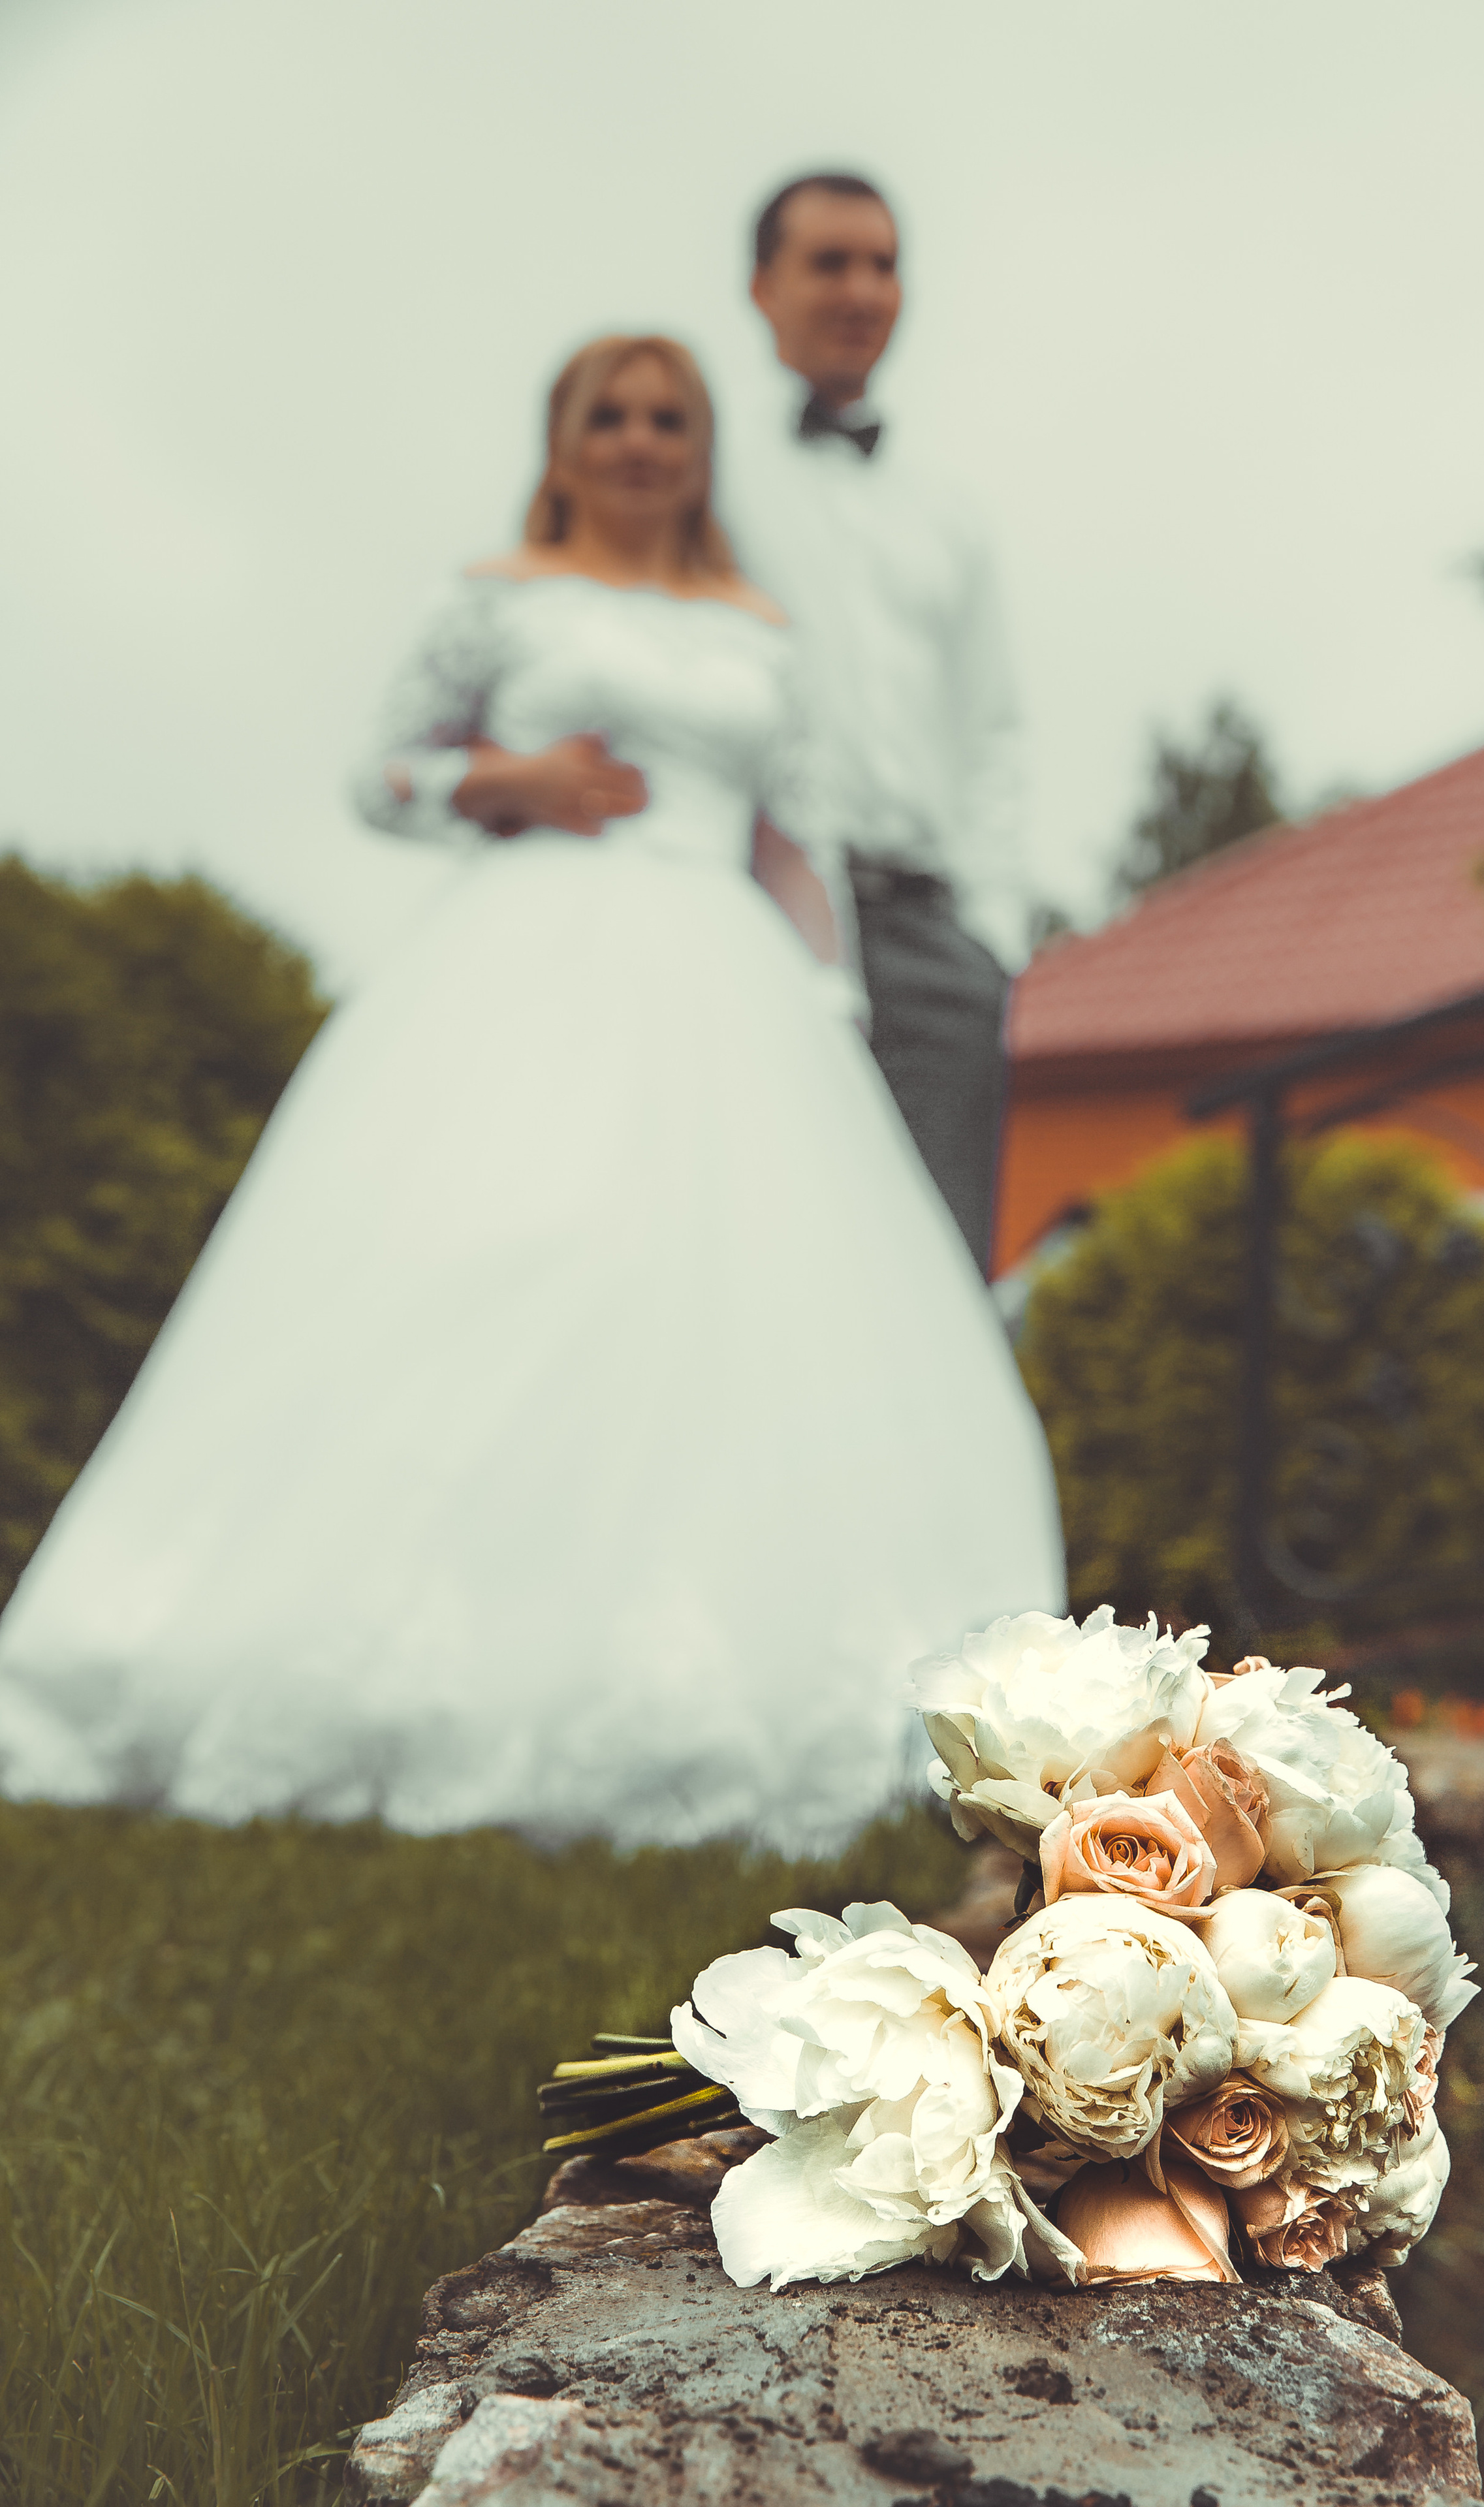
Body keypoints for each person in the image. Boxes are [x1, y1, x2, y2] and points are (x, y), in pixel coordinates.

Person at [0, 334, 1064, 1846]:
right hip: (523, 958)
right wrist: (507, 787)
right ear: (562, 442)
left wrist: (828, 1004)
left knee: (727, 1311)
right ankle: (396, 1645)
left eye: (669, 420)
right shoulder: (498, 598)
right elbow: (382, 776)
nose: (640, 442)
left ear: (703, 449)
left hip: (729, 988)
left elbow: (793, 843)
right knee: (497, 1257)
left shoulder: (762, 629)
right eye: (609, 417)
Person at [721, 172, 1031, 1275]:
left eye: (884, 263)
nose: (862, 289)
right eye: (829, 262)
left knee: (936, 1274)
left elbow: (993, 730)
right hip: (753, 924)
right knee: (763, 1243)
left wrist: (991, 938)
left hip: (932, 944)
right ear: (763, 287)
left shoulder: (950, 513)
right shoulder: (703, 480)